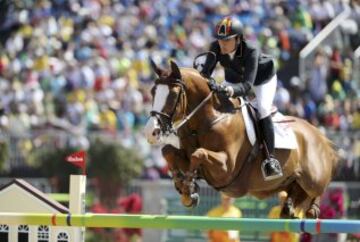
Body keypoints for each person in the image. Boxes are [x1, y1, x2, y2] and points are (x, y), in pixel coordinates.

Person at [200, 15, 282, 181]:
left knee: (263, 108)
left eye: (227, 40)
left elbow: (247, 86)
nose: (222, 44)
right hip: (233, 79)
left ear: (238, 39)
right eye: (220, 40)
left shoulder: (251, 50)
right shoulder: (215, 47)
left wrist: (229, 90)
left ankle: (270, 159)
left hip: (261, 79)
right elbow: (205, 74)